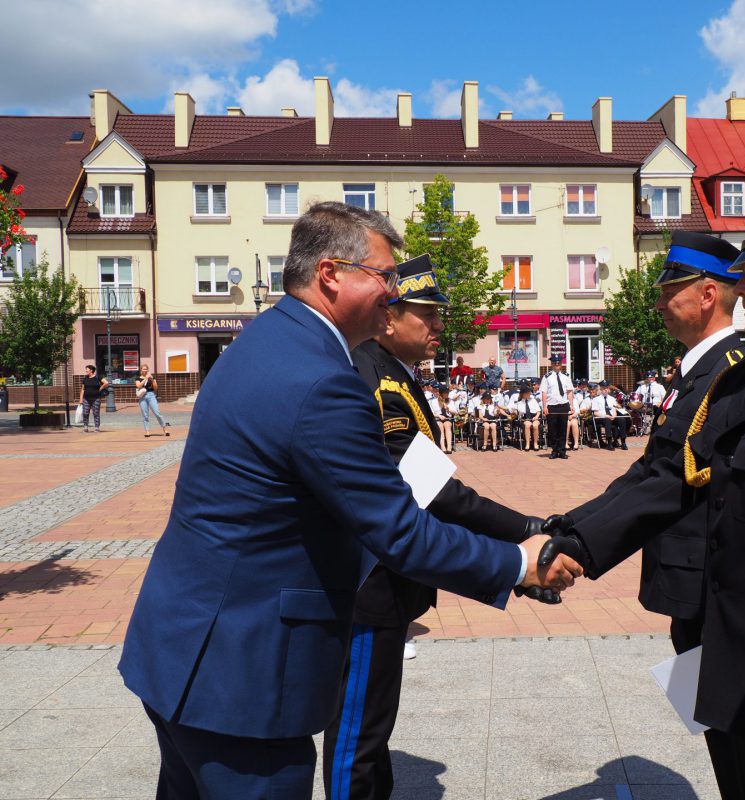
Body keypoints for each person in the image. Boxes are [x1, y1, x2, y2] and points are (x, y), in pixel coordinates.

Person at [117, 202, 580, 799]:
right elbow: (399, 529)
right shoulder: (322, 381)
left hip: (185, 646)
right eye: (384, 276)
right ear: (331, 273)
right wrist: (520, 562)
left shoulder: (268, 338)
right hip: (241, 674)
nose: (393, 290)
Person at [546, 204, 745, 800]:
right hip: (729, 634)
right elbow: (675, 477)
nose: (740, 288)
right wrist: (574, 544)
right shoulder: (741, 379)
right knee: (737, 774)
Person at [341, 254, 547, 800]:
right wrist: (526, 528)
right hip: (371, 583)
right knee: (358, 735)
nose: (438, 326)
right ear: (389, 317)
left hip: (387, 576)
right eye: (427, 314)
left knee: (373, 725)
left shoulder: (393, 374)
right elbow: (432, 492)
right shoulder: (378, 382)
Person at [567, 231, 744, 652]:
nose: (659, 305)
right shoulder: (697, 371)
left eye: (669, 293)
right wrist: (570, 525)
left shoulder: (730, 374)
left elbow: (671, 479)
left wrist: (579, 544)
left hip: (709, 577)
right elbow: (648, 468)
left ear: (707, 295)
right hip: (686, 574)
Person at [541, 355, 575, 459]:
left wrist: (571, 405)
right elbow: (544, 393)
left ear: (561, 364)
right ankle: (555, 451)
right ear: (552, 364)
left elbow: (569, 391)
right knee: (553, 430)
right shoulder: (547, 377)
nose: (557, 364)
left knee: (563, 429)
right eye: (555, 363)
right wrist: (545, 406)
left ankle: (562, 451)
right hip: (552, 406)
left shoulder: (566, 376)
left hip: (563, 405)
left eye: (558, 363)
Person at [587, 382, 629, 450]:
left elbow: (614, 409)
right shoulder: (596, 399)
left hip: (611, 416)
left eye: (607, 388)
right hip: (601, 417)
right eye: (604, 388)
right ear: (601, 389)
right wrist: (605, 415)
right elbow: (595, 412)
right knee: (607, 420)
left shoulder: (612, 398)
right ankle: (609, 442)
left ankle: (623, 441)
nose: (606, 390)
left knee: (621, 419)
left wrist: (614, 415)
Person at [135, 364, 168, 438]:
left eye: (146, 369)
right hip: (142, 397)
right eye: (143, 369)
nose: (145, 370)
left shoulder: (152, 377)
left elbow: (156, 388)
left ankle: (164, 429)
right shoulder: (138, 378)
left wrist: (152, 379)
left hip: (151, 395)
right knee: (145, 415)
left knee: (157, 413)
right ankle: (147, 431)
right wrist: (145, 378)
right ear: (141, 370)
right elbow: (138, 386)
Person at [509, 383, 542, 451]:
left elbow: (538, 411)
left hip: (534, 417)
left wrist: (536, 416)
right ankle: (527, 443)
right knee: (527, 425)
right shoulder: (518, 402)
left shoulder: (533, 400)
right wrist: (514, 413)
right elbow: (515, 412)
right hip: (524, 418)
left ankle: (535, 443)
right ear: (523, 394)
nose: (529, 393)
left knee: (535, 425)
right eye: (528, 392)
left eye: (529, 392)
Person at [78, 364, 108, 433]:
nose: (86, 371)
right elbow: (83, 389)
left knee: (96, 413)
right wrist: (81, 399)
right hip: (86, 398)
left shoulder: (98, 377)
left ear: (91, 370)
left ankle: (97, 427)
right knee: (85, 413)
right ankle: (85, 427)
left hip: (96, 398)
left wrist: (101, 388)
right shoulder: (85, 379)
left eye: (87, 369)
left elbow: (106, 383)